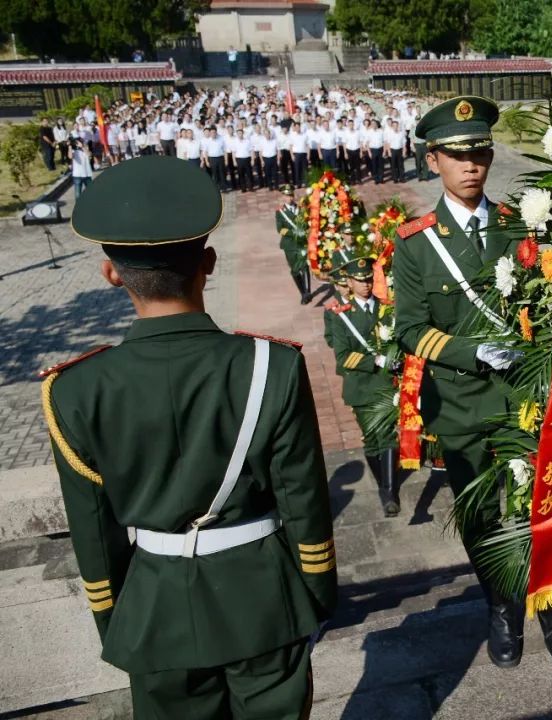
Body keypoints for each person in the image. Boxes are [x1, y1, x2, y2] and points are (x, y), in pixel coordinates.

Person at [45, 156, 336, 717]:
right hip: (264, 596)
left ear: (111, 273)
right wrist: (314, 595)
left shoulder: (74, 391)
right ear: (208, 262)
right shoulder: (270, 366)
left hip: (152, 606)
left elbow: (95, 533)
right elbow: (303, 499)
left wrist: (118, 618)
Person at [394, 96, 552, 690]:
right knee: (484, 519)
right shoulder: (415, 243)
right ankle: (502, 608)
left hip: (524, 401)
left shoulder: (519, 225)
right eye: (458, 156)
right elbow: (410, 329)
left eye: (481, 152)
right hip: (461, 406)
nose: (472, 165)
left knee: (546, 509)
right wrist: (471, 351)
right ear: (433, 160)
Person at [327, 254, 400, 517]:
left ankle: (389, 493)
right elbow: (343, 356)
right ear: (349, 282)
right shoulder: (341, 316)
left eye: (369, 278)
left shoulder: (386, 308)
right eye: (360, 281)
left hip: (386, 384)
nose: (366, 284)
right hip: (361, 387)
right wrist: (376, 359)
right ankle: (384, 483)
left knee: (389, 435)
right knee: (372, 440)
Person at [276, 185, 312, 304]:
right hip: (289, 245)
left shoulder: (301, 209)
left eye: (291, 195)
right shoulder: (280, 212)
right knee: (295, 270)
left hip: (301, 243)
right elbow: (280, 229)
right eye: (287, 196)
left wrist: (305, 230)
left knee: (305, 266)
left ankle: (307, 292)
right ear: (283, 197)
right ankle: (302, 292)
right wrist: (295, 233)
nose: (289, 198)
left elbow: (307, 223)